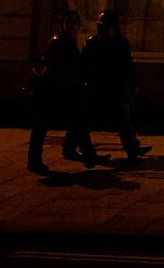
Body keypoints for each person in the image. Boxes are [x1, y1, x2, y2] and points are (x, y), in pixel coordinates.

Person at [27, 13, 110, 173]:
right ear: (63, 24)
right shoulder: (60, 42)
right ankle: (36, 160)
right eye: (68, 22)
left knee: (75, 121)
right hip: (55, 90)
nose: (71, 25)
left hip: (60, 89)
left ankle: (83, 154)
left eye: (73, 22)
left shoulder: (64, 41)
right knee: (48, 124)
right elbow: (64, 66)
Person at [82, 10, 152, 160]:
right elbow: (85, 65)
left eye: (103, 21)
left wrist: (132, 84)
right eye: (99, 21)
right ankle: (82, 150)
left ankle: (132, 148)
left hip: (115, 87)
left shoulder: (121, 42)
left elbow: (127, 65)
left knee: (123, 120)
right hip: (97, 86)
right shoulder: (92, 42)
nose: (100, 24)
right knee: (84, 120)